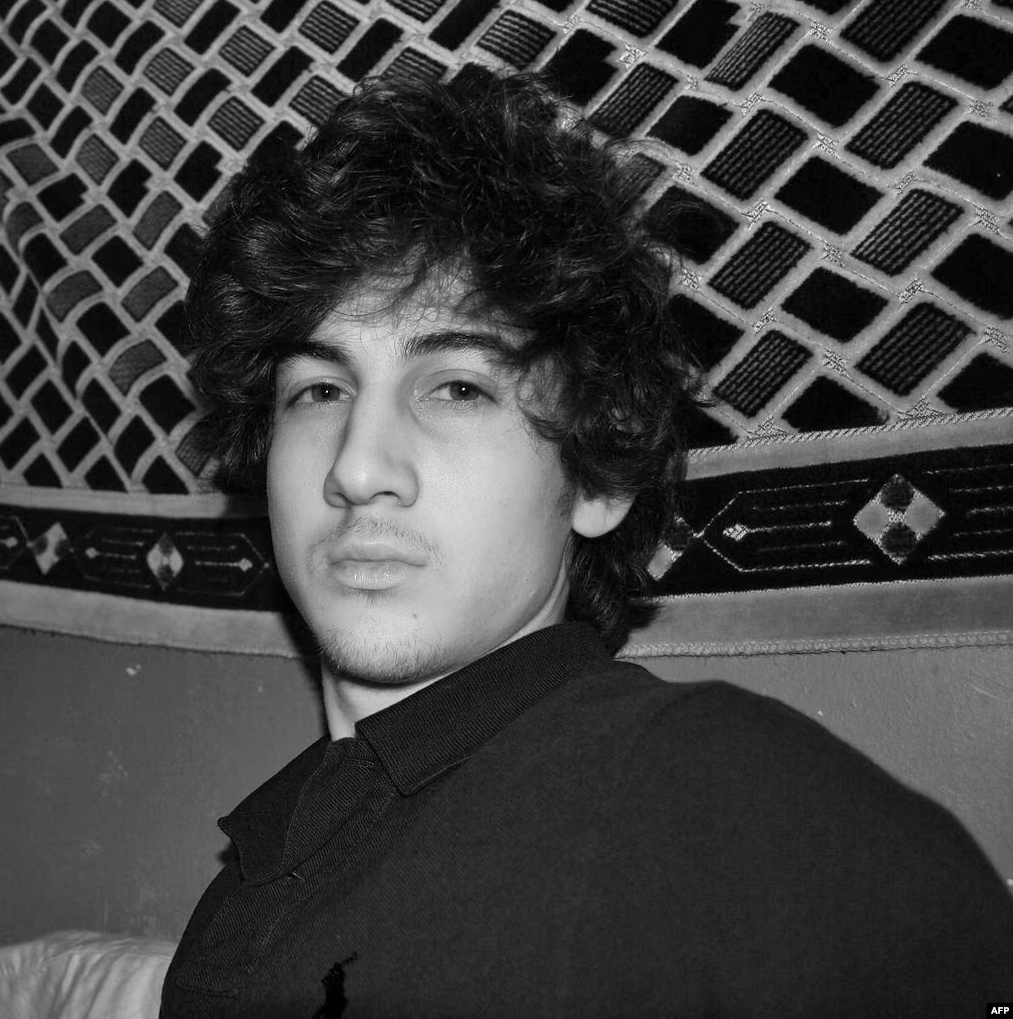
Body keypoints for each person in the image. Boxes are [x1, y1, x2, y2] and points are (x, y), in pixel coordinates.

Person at [159, 70, 1013, 1018]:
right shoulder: (246, 884)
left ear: (598, 479)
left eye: (458, 388)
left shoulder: (708, 788)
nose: (358, 468)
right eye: (320, 391)